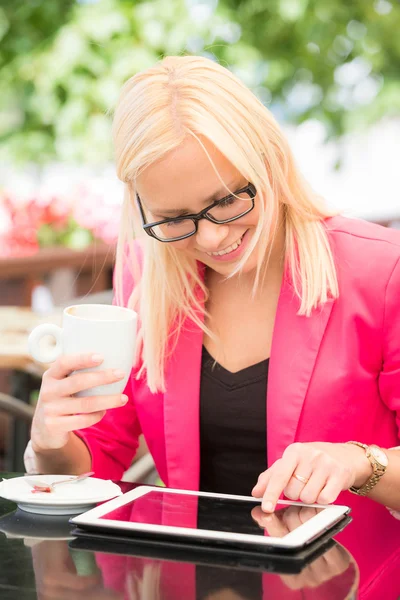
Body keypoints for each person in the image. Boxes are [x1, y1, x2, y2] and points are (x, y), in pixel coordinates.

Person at [25, 55, 400, 516]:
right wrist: (49, 440)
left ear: (270, 160)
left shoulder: (382, 271)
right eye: (173, 218)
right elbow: (98, 457)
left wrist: (362, 462)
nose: (211, 238)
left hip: (350, 583)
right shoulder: (147, 275)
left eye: (225, 200)